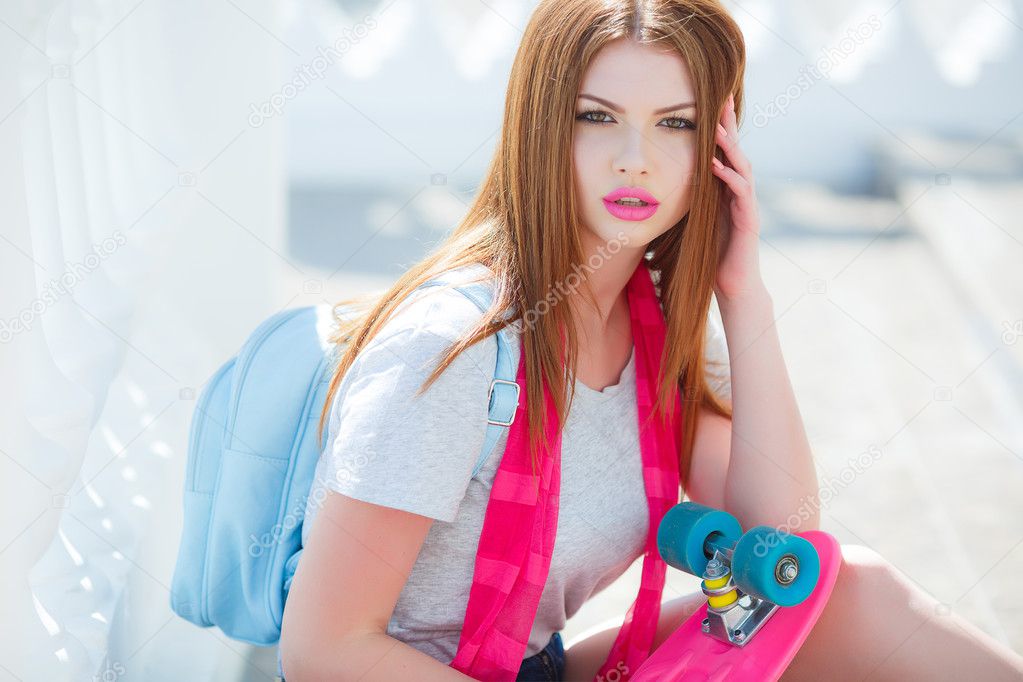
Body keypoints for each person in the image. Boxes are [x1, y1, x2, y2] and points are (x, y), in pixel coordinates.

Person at [278, 1, 1023, 680]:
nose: (634, 158)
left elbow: (781, 543)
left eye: (677, 123)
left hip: (536, 667)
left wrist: (742, 295)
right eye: (596, 117)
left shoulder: (646, 331)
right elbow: (324, 649)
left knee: (848, 591)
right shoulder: (455, 349)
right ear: (540, 125)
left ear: (717, 147)